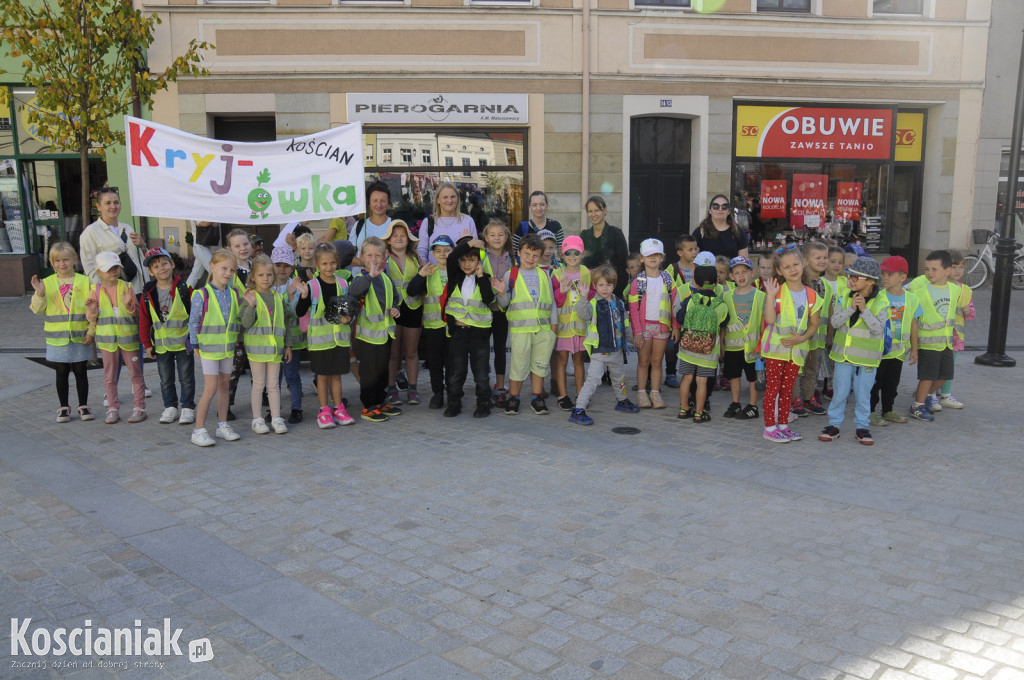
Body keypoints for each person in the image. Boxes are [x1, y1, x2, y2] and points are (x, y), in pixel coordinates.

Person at [818, 257, 887, 445]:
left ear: (871, 281)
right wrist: (851, 308)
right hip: (843, 358)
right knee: (839, 392)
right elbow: (835, 322)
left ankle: (862, 426)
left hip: (866, 360)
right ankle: (834, 425)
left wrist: (864, 310)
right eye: (850, 276)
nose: (850, 280)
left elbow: (877, 328)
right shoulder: (844, 297)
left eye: (856, 277)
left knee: (863, 394)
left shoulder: (882, 301)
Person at [760, 244, 822, 443]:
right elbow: (769, 320)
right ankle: (770, 427)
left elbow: (814, 325)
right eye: (786, 267)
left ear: (803, 264)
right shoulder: (776, 292)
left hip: (796, 351)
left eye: (796, 264)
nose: (792, 269)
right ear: (779, 271)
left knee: (788, 389)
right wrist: (770, 295)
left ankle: (784, 425)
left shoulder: (812, 295)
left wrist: (802, 339)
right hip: (776, 350)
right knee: (773, 389)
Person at [30, 242, 94, 423]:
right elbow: (37, 310)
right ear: (51, 262)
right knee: (61, 372)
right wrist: (40, 295)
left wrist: (91, 331)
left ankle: (84, 405)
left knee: (81, 371)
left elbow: (93, 310)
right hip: (56, 339)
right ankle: (64, 407)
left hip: (80, 336)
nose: (62, 264)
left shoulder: (84, 281)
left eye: (66, 259)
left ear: (74, 259)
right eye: (57, 261)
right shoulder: (47, 283)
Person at [294, 243, 355, 428]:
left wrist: (348, 318)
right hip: (320, 341)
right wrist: (304, 296)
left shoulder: (343, 283)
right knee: (322, 376)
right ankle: (324, 411)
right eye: (325, 264)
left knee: (336, 375)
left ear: (337, 263)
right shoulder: (312, 285)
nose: (329, 267)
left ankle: (339, 409)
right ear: (317, 265)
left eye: (332, 263)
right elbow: (299, 311)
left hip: (339, 340)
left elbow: (347, 310)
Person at [495, 233, 556, 416]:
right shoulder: (510, 274)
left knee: (540, 364)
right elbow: (504, 304)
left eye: (535, 255)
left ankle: (537, 397)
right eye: (527, 254)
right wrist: (500, 293)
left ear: (541, 256)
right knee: (518, 365)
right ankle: (514, 397)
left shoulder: (544, 274)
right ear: (519, 253)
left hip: (543, 330)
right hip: (520, 330)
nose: (531, 258)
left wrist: (553, 328)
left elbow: (551, 302)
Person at [568, 265, 639, 425]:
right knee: (593, 380)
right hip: (599, 351)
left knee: (619, 377)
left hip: (617, 350)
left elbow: (625, 325)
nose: (605, 288)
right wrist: (583, 297)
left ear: (614, 285)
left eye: (608, 285)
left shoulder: (620, 304)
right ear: (595, 286)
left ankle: (622, 400)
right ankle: (578, 409)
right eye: (601, 285)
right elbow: (582, 314)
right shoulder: (593, 304)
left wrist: (633, 340)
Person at [187, 251, 242, 446]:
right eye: (224, 268)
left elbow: (236, 320)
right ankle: (198, 430)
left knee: (224, 386)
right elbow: (193, 322)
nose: (228, 273)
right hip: (209, 349)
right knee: (210, 389)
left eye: (231, 270)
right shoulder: (201, 294)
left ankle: (222, 425)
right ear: (212, 267)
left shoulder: (234, 293)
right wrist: (195, 345)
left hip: (227, 350)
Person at [86, 251, 146, 424]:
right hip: (107, 342)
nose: (113, 272)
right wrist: (91, 310)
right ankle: (112, 408)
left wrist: (129, 305)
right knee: (110, 376)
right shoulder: (95, 290)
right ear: (98, 272)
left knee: (136, 374)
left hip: (129, 340)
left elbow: (135, 313)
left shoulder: (126, 287)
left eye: (116, 268)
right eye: (108, 269)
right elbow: (91, 317)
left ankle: (139, 407)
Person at [139, 248, 195, 426]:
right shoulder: (148, 294)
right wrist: (147, 344)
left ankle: (187, 406)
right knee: (165, 379)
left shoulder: (185, 289)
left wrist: (194, 340)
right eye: (156, 266)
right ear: (150, 272)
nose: (161, 268)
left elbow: (195, 316)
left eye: (164, 263)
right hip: (162, 346)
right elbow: (144, 321)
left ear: (172, 264)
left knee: (186, 378)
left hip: (183, 344)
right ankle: (170, 406)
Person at [349, 236, 403, 422]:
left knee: (382, 370)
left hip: (385, 334)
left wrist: (396, 309)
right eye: (369, 255)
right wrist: (370, 276)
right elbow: (354, 291)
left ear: (384, 256)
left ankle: (379, 401)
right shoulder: (361, 277)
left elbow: (395, 299)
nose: (374, 259)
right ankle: (368, 406)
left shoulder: (387, 279)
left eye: (377, 255)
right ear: (362, 257)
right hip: (367, 336)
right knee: (369, 373)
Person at [240, 254, 295, 435]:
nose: (266, 279)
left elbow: (285, 323)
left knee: (273, 385)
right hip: (256, 351)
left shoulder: (277, 297)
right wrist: (251, 306)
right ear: (253, 277)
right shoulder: (250, 296)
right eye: (261, 275)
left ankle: (277, 418)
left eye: (269, 275)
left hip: (275, 350)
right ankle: (257, 419)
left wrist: (288, 346)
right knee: (258, 384)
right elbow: (246, 323)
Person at [443, 240, 496, 418]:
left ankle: (483, 403)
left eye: (472, 260)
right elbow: (451, 258)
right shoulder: (455, 277)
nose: (467, 264)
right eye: (463, 260)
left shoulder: (485, 278)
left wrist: (481, 278)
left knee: (481, 373)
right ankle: (453, 403)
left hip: (479, 334)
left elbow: (488, 298)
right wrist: (470, 243)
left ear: (479, 262)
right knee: (456, 372)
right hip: (459, 333)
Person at [907, 250, 960, 421]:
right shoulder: (920, 291)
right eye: (927, 269)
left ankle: (926, 396)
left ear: (947, 271)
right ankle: (917, 405)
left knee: (945, 375)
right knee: (927, 376)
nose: (929, 273)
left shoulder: (954, 289)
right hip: (927, 344)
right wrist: (914, 347)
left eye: (934, 269)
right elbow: (913, 319)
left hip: (946, 343)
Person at [869, 255, 921, 427]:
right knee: (876, 382)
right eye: (883, 273)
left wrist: (915, 349)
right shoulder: (877, 295)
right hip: (879, 350)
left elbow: (914, 323)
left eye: (889, 274)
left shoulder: (912, 299)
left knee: (892, 383)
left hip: (899, 351)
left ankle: (888, 410)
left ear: (902, 277)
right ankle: (870, 412)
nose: (884, 277)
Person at [674, 259, 728, 423]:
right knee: (702, 381)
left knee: (686, 378)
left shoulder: (690, 300)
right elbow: (723, 326)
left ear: (696, 284)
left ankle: (684, 409)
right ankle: (699, 413)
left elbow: (679, 317)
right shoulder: (721, 305)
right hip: (709, 350)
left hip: (688, 348)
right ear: (716, 282)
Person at [627, 238, 677, 410]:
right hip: (645, 328)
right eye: (649, 255)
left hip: (662, 327)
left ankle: (655, 392)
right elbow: (633, 310)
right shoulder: (637, 282)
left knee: (657, 361)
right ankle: (642, 392)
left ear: (662, 257)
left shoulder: (668, 280)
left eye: (656, 254)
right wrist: (638, 332)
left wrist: (675, 326)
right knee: (643, 361)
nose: (653, 258)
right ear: (642, 258)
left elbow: (674, 305)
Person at [408, 235, 454, 410]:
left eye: (447, 250)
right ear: (433, 254)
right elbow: (412, 291)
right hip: (433, 326)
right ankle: (437, 393)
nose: (443, 254)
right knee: (435, 363)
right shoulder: (429, 271)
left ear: (453, 252)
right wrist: (421, 275)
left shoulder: (458, 271)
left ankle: (452, 392)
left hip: (453, 327)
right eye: (438, 251)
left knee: (452, 363)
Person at [551, 235, 594, 411]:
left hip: (581, 326)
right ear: (562, 255)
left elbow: (593, 295)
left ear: (582, 254)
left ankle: (580, 393)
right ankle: (563, 395)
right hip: (563, 326)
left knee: (578, 360)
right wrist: (561, 292)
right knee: (561, 360)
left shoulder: (588, 273)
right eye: (568, 252)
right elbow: (554, 301)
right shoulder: (556, 274)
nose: (572, 255)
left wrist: (586, 294)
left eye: (576, 252)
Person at [383, 220, 423, 406]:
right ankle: (392, 389)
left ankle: (413, 389)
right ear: (389, 240)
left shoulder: (416, 258)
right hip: (392, 309)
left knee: (411, 352)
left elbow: (424, 285)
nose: (399, 238)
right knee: (393, 353)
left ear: (408, 239)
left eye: (403, 235)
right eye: (395, 235)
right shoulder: (383, 258)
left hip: (413, 308)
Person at [79, 187, 148, 293]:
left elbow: (139, 259)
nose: (113, 206)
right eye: (108, 203)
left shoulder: (127, 228)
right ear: (98, 206)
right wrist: (103, 293)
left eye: (116, 202)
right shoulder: (90, 233)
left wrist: (142, 246)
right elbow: (90, 268)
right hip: (113, 293)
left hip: (136, 290)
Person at [721, 256, 764, 421]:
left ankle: (753, 406)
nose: (741, 276)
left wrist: (762, 345)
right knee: (734, 376)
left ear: (752, 273)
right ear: (731, 276)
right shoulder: (727, 296)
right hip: (733, 347)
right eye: (736, 273)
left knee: (753, 378)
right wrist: (722, 343)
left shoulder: (760, 296)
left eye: (744, 272)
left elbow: (762, 322)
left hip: (753, 347)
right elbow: (724, 323)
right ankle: (735, 403)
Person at [792, 241, 831, 417]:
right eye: (818, 258)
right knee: (796, 370)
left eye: (825, 257)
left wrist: (829, 336)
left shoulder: (826, 285)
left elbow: (829, 312)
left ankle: (808, 398)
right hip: (800, 337)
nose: (823, 261)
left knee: (811, 370)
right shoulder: (798, 283)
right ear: (805, 261)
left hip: (818, 339)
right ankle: (794, 400)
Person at [480, 219, 514, 406]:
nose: (497, 238)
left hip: (503, 310)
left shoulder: (512, 258)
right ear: (485, 237)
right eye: (492, 235)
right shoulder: (481, 256)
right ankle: (484, 385)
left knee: (500, 348)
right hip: (484, 310)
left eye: (500, 234)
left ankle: (500, 386)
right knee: (483, 350)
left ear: (506, 236)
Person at [934, 250, 973, 409]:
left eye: (961, 267)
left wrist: (968, 311)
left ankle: (946, 395)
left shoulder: (965, 290)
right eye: (954, 266)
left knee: (949, 367)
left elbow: (970, 310)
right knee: (935, 366)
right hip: (937, 335)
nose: (958, 271)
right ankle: (931, 393)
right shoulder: (937, 286)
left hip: (956, 337)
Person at [271, 246, 305, 424]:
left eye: (286, 265)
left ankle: (296, 408)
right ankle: (274, 409)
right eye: (278, 264)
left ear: (292, 267)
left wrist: (291, 296)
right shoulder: (267, 286)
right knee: (274, 378)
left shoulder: (296, 286)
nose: (282, 268)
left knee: (292, 375)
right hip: (273, 341)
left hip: (292, 339)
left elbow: (295, 313)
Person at [224, 229, 253, 419]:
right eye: (237, 245)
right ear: (229, 249)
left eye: (245, 244)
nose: (242, 248)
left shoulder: (257, 267)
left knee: (259, 371)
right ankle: (225, 405)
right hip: (238, 333)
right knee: (233, 371)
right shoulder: (228, 273)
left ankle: (263, 400)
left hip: (259, 332)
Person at [416, 181, 478, 265]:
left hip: (462, 274)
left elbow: (475, 250)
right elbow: (422, 251)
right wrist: (425, 270)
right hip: (435, 275)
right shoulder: (429, 222)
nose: (449, 200)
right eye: (445, 197)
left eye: (453, 197)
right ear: (438, 200)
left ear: (458, 199)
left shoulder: (467, 221)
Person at [581, 196, 629, 297]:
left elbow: (623, 266)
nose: (593, 214)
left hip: (612, 291)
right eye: (590, 211)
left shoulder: (616, 234)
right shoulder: (584, 236)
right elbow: (581, 264)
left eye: (597, 210)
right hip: (590, 292)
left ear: (605, 210)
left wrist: (616, 292)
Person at [350, 181, 393, 273]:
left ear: (388, 203)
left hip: (386, 279)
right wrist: (363, 262)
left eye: (383, 201)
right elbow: (349, 256)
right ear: (369, 203)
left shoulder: (395, 225)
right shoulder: (359, 225)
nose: (379, 205)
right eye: (375, 201)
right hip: (360, 279)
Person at [694, 193, 750, 261]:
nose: (720, 209)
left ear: (729, 211)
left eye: (724, 206)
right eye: (715, 206)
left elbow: (743, 263)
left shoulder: (738, 232)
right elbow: (692, 260)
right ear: (710, 211)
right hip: (707, 271)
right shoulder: (700, 232)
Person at [186, 220, 222, 288]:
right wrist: (215, 217)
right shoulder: (196, 212)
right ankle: (213, 292)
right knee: (214, 269)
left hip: (203, 246)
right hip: (200, 246)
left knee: (195, 274)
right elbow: (203, 224)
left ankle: (185, 293)